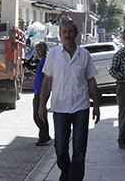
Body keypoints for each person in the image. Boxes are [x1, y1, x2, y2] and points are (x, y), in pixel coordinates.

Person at [39, 20, 100, 181]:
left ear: (76, 34)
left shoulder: (84, 55)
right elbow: (46, 81)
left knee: (79, 148)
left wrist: (97, 105)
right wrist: (41, 105)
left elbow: (91, 81)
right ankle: (66, 172)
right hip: (59, 108)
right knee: (60, 148)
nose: (67, 35)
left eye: (70, 32)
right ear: (60, 34)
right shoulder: (53, 55)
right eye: (64, 32)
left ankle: (75, 178)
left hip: (81, 107)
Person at [32, 41, 51, 146]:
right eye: (37, 50)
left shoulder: (45, 61)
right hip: (38, 91)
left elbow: (46, 77)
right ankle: (44, 136)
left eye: (40, 50)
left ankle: (45, 137)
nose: (38, 52)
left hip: (41, 92)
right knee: (39, 114)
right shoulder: (42, 61)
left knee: (38, 115)